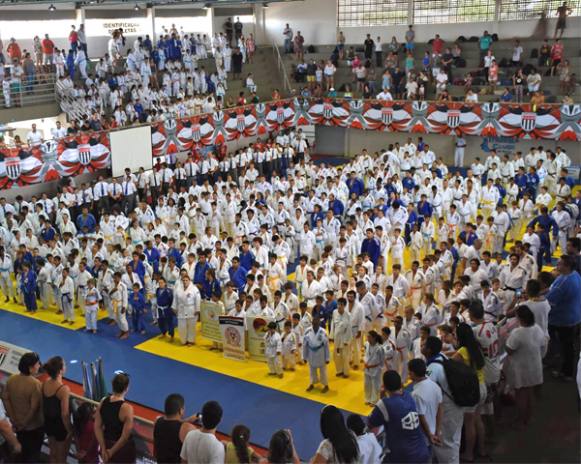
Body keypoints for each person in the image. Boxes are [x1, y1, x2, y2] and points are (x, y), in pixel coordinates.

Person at [367, 370, 430, 463]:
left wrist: (382, 397)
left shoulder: (385, 404)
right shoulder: (409, 396)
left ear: (384, 386)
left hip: (403, 457)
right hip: (422, 450)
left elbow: (371, 423)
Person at [422, 336, 464, 464]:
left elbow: (425, 392)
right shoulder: (442, 357)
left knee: (445, 443)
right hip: (455, 404)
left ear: (429, 350)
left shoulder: (432, 369)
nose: (421, 347)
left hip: (447, 408)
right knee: (453, 440)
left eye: (423, 345)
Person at [451, 323, 487, 462]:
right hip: (482, 385)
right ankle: (482, 449)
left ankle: (469, 454)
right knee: (478, 419)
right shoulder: (475, 346)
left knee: (469, 423)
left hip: (472, 390)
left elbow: (451, 363)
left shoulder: (462, 352)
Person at [505, 306, 547, 426]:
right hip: (534, 365)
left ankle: (521, 419)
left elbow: (509, 350)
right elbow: (543, 343)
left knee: (521, 395)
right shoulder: (537, 328)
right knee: (529, 393)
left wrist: (507, 340)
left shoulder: (517, 333)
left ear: (520, 318)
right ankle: (529, 417)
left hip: (522, 368)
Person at [2, 352, 43, 463]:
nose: (39, 365)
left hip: (17, 426)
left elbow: (5, 399)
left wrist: (13, 419)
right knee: (32, 457)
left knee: (21, 455)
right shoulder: (35, 384)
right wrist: (24, 423)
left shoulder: (11, 379)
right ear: (30, 368)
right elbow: (34, 409)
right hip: (32, 428)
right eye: (37, 364)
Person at [546, 255, 581, 380]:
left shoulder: (563, 283)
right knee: (568, 345)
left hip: (563, 319)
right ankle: (565, 368)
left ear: (566, 266)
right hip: (573, 315)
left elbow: (549, 301)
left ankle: (566, 372)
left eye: (559, 263)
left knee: (565, 346)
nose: (557, 265)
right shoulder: (575, 274)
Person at [94, 372, 136, 463]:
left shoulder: (103, 401)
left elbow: (97, 426)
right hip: (121, 450)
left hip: (106, 444)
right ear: (126, 388)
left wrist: (103, 447)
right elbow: (125, 437)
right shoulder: (127, 408)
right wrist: (111, 452)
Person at [42, 356, 73, 463]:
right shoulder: (63, 389)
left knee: (53, 452)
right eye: (64, 365)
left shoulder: (46, 382)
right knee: (61, 457)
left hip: (48, 422)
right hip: (59, 426)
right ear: (60, 370)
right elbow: (64, 413)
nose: (66, 366)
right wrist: (69, 429)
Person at [408, 358, 443, 449]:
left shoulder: (416, 394)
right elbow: (440, 409)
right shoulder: (435, 386)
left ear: (412, 373)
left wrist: (429, 435)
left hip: (424, 435)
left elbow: (421, 417)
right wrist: (437, 431)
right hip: (433, 430)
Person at [153, 393, 195, 464]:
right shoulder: (186, 428)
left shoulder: (157, 421)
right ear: (181, 410)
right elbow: (204, 435)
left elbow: (171, 423)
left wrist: (188, 419)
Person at [303, 315, 331, 393]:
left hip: (321, 353)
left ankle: (326, 385)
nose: (315, 325)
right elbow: (304, 345)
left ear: (319, 323)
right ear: (312, 323)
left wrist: (327, 358)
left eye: (316, 323)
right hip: (311, 353)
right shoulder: (307, 331)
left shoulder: (323, 332)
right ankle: (312, 383)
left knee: (323, 371)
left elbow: (326, 346)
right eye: (314, 323)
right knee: (312, 370)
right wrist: (304, 357)